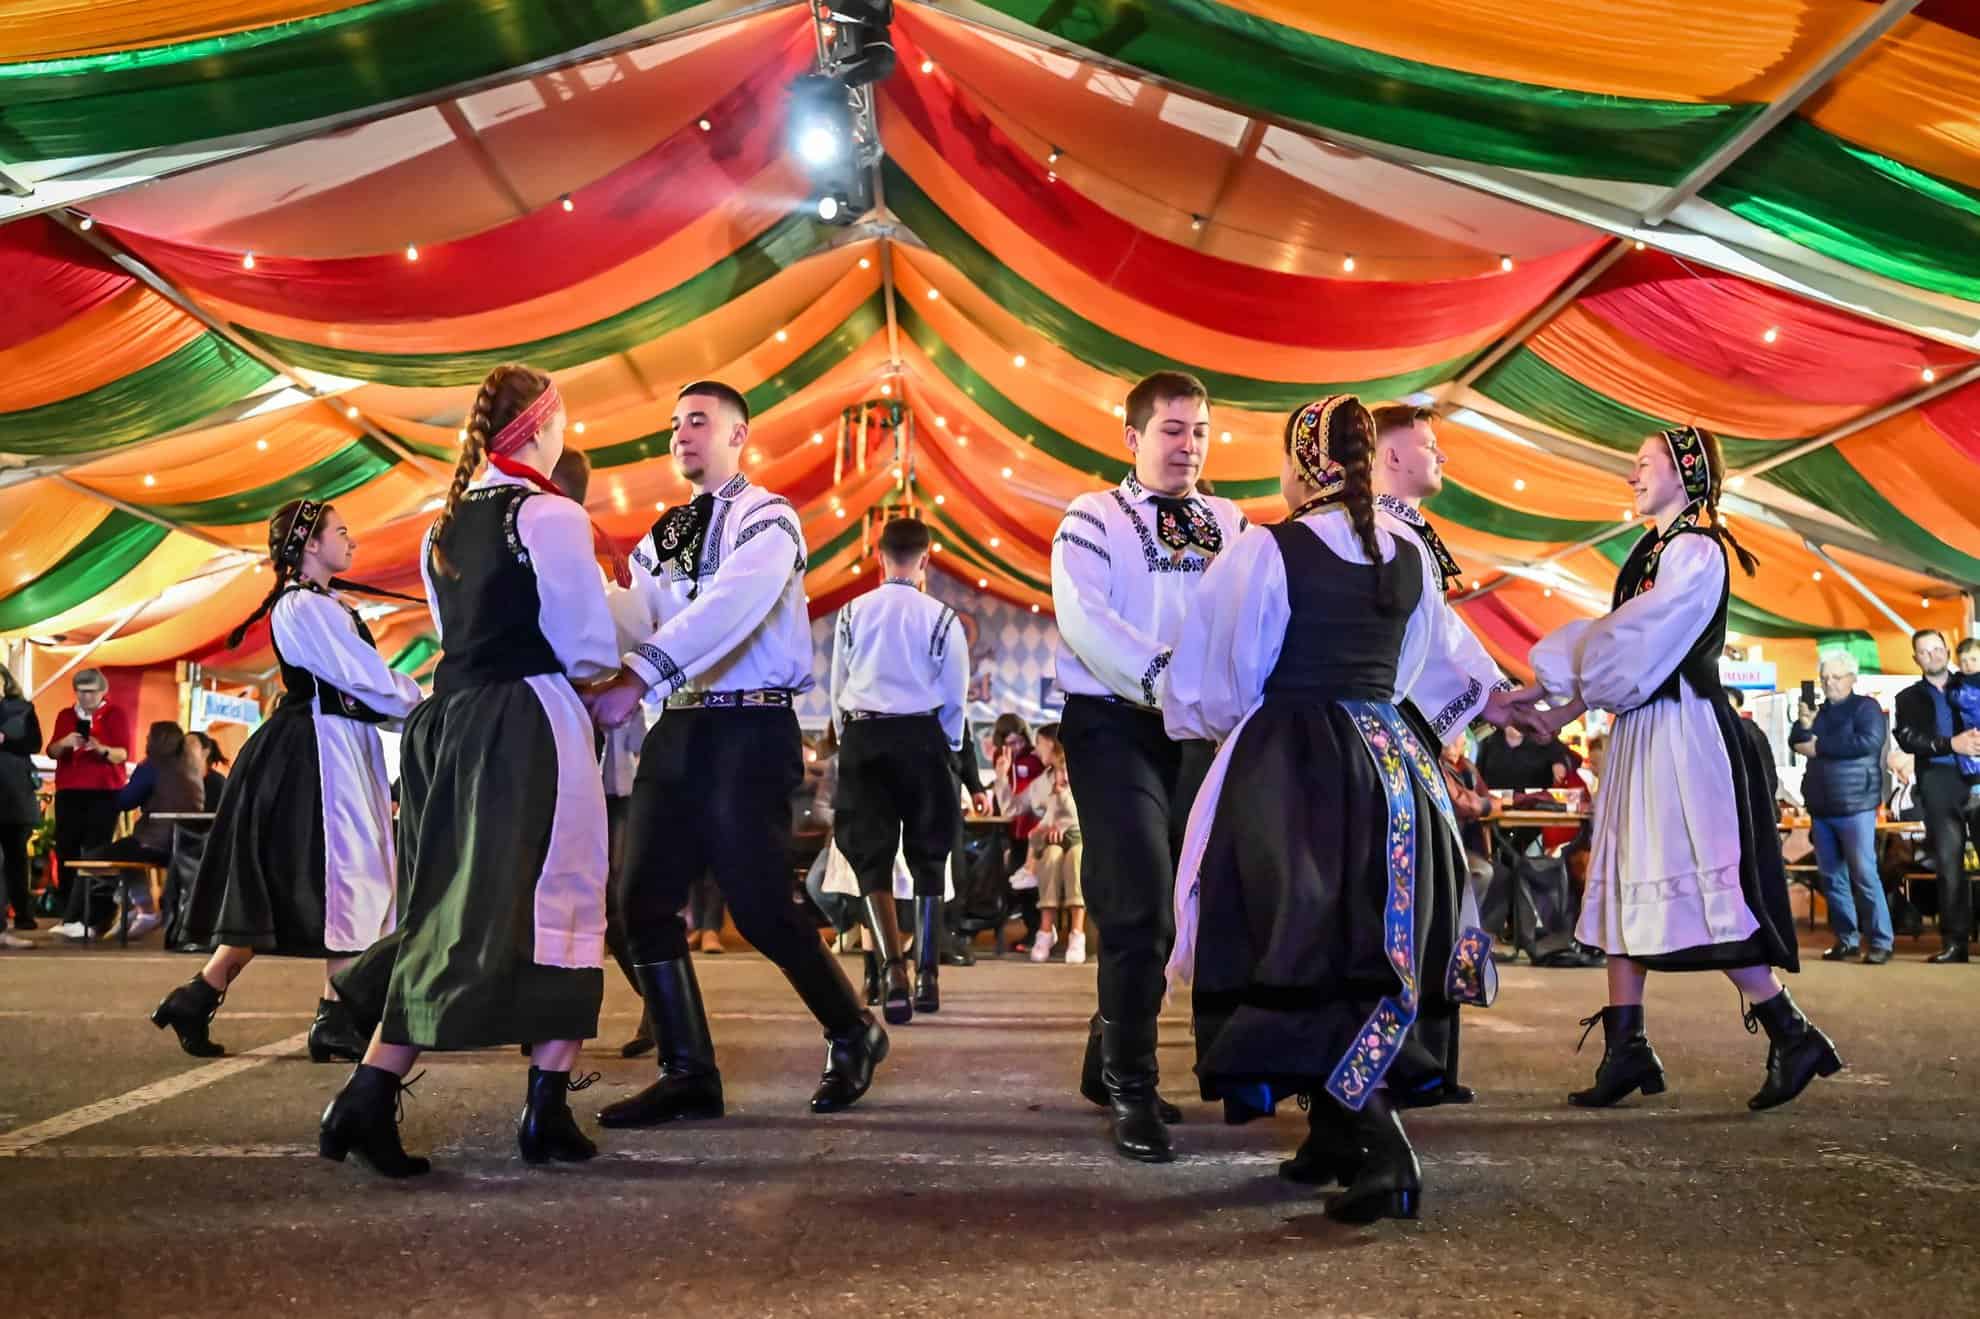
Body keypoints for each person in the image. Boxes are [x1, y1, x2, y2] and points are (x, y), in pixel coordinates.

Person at [1163, 395, 1506, 1224]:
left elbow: (1222, 678)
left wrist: (1213, 726)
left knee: (1296, 948)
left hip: (1295, 768)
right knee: (1356, 948)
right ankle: (1333, 1138)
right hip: (1392, 768)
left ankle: (1382, 1145)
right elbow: (1417, 663)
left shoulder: (1268, 550)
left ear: (1303, 463)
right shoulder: (1410, 552)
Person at [319, 363, 621, 1178]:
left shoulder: (439, 526)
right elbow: (587, 645)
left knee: (451, 903)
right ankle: (543, 1108)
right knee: (563, 893)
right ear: (541, 429)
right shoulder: (552, 515)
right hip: (529, 719)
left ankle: (370, 1091)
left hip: (448, 724)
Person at [585, 380, 888, 1128]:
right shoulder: (664, 532)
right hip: (679, 725)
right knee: (637, 902)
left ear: (738, 435)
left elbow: (734, 605)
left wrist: (636, 673)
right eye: (674, 425)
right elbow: (633, 616)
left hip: (751, 728)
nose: (681, 435)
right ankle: (688, 1068)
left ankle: (853, 1030)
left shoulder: (769, 516)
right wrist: (572, 590)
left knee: (755, 903)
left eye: (698, 421)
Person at [1515, 426, 1840, 1113]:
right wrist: (1553, 700)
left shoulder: (1694, 551)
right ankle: (1626, 1046)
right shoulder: (1655, 550)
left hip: (1681, 731)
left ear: (1683, 473)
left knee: (1694, 882)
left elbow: (1637, 645)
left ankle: (1790, 1026)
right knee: (1627, 878)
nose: (1632, 475)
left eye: (1643, 464)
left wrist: (1561, 693)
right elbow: (1624, 650)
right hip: (1642, 727)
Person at [1049, 370, 1246, 1162]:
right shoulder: (1091, 517)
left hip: (1199, 730)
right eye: (1171, 429)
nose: (1188, 444)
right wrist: (1174, 680)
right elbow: (1085, 619)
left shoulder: (1233, 522)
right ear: (1131, 438)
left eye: (1199, 429)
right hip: (1113, 723)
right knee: (1137, 901)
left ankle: (1107, 1060)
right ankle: (1132, 1082)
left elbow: (1252, 618)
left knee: (1177, 902)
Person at [153, 501, 422, 1059]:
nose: (352, 541)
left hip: (335, 747)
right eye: (341, 532)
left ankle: (198, 995)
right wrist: (420, 704)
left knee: (295, 885)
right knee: (348, 876)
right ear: (310, 545)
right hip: (319, 754)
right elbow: (360, 677)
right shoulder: (303, 607)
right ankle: (337, 1015)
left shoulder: (321, 605)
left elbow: (360, 684)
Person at [1370, 404, 1529, 1109]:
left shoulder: (1402, 530)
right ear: (1391, 457)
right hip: (1388, 729)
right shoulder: (1381, 530)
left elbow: (1443, 628)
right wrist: (1490, 695)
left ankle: (1425, 1058)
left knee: (1428, 887)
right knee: (1409, 890)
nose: (1441, 457)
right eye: (1429, 445)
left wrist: (1492, 691)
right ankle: (1406, 1060)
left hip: (1408, 730)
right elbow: (1427, 635)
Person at [827, 515, 969, 1022]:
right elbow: (956, 693)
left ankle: (892, 973)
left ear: (878, 556)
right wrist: (948, 746)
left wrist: (850, 740)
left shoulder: (851, 613)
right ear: (926, 559)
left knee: (871, 855)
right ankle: (929, 976)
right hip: (923, 734)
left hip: (865, 733)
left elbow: (836, 686)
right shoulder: (943, 618)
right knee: (931, 853)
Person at [552, 444, 656, 1057]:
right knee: (595, 896)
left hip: (605, 758)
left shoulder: (596, 579)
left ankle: (664, 1011)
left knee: (614, 899)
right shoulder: (601, 577)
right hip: (591, 756)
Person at [1788, 653, 1893, 964]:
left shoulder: (1867, 708)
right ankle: (1846, 939)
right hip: (1822, 805)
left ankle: (1880, 940)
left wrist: (1819, 746)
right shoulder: (1817, 712)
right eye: (1824, 678)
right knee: (1832, 876)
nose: (1828, 683)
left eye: (1835, 677)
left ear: (1852, 678)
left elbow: (1869, 742)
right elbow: (1797, 741)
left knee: (1864, 874)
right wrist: (1804, 725)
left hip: (1856, 803)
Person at [1892, 629, 1980, 962]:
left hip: (1978, 776)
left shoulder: (1973, 683)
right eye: (1925, 652)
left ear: (1947, 651)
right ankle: (1956, 943)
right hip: (1938, 781)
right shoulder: (1907, 698)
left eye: (1938, 649)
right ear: (1916, 659)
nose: (1934, 656)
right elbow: (1908, 738)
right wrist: (1951, 744)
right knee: (1949, 866)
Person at [71, 720, 204, 941]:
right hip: (185, 844)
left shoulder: (151, 766)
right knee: (128, 858)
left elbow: (126, 800)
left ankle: (127, 906)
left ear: (155, 741)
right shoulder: (191, 767)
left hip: (154, 840)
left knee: (94, 859)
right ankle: (143, 909)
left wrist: (111, 793)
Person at [46, 669, 131, 939]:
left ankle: (96, 915)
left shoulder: (115, 715)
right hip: (69, 790)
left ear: (103, 691)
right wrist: (65, 743)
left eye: (92, 691)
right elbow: (50, 751)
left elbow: (122, 754)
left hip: (103, 792)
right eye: (82, 691)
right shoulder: (65, 715)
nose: (87, 696)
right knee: (67, 850)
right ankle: (69, 914)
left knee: (97, 853)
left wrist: (100, 748)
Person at [1024, 722, 1086, 964]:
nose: (1036, 750)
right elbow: (1023, 807)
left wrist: (1062, 794)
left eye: (1039, 744)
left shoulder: (1081, 774)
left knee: (1077, 858)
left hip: (1081, 838)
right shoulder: (1042, 782)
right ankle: (1045, 931)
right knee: (1050, 857)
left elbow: (1082, 813)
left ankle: (1077, 933)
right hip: (1051, 842)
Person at [0, 663, 43, 935]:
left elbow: (34, 745)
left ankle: (23, 914)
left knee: (16, 856)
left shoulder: (23, 709)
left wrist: (5, 740)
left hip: (14, 791)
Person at [1726, 688, 1780, 807]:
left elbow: (1766, 773)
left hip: (1750, 808)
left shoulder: (1750, 733)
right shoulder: (1718, 734)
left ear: (1739, 708)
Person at [189, 731, 228, 811]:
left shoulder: (218, 783)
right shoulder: (181, 781)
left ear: (205, 752)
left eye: (191, 745)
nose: (185, 750)